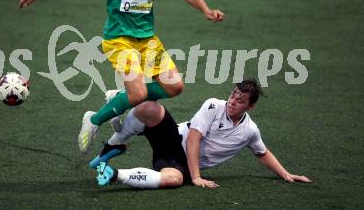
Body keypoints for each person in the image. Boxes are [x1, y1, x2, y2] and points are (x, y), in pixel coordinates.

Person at [19, 0, 225, 153]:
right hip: (119, 39)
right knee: (138, 94)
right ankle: (94, 120)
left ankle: (119, 97)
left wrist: (206, 10)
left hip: (147, 40)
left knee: (175, 87)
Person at [93, 79, 312, 189]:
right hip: (174, 138)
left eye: (240, 101)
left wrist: (285, 174)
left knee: (174, 179)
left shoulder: (249, 131)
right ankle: (115, 143)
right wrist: (196, 177)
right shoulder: (214, 105)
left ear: (250, 107)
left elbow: (262, 152)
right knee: (149, 107)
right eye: (233, 96)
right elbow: (194, 138)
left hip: (177, 163)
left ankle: (112, 174)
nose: (232, 102)